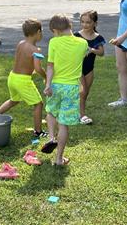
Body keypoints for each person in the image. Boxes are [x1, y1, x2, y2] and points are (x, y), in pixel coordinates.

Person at [41, 14, 88, 165]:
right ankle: (59, 159)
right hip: (72, 87)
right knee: (63, 124)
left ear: (55, 30)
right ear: (70, 26)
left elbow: (50, 65)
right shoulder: (83, 43)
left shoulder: (53, 42)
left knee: (50, 112)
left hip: (55, 85)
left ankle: (51, 138)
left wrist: (48, 84)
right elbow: (85, 54)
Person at [0, 18, 48, 138]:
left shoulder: (20, 44)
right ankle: (38, 132)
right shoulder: (36, 50)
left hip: (12, 77)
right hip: (22, 81)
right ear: (38, 32)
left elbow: (22, 61)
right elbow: (38, 68)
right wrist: (46, 77)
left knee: (13, 100)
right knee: (38, 104)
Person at [74, 10, 105, 124]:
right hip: (78, 68)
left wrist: (92, 50)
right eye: (82, 22)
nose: (85, 25)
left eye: (88, 22)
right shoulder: (77, 36)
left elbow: (101, 52)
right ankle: (82, 115)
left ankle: (78, 111)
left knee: (85, 93)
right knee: (82, 91)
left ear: (95, 24)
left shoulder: (97, 37)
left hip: (89, 69)